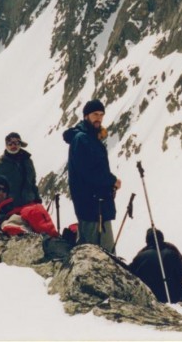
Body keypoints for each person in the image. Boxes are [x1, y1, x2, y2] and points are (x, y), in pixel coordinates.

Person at [63, 99, 121, 251]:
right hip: (92, 204)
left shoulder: (90, 138)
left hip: (97, 205)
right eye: (95, 114)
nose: (99, 118)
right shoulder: (82, 139)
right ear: (86, 116)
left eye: (101, 114)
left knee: (99, 249)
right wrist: (111, 181)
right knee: (96, 251)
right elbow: (89, 172)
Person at [129, 228, 182, 303]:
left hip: (149, 297)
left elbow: (131, 273)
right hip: (173, 295)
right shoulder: (173, 252)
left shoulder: (140, 256)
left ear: (147, 241)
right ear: (162, 238)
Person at [0, 132, 41, 208]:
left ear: (20, 144)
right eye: (10, 143)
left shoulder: (28, 162)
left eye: (16, 143)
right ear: (6, 145)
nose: (13, 146)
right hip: (9, 209)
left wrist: (37, 199)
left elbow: (32, 182)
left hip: (29, 205)